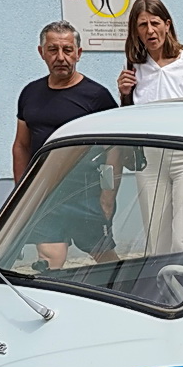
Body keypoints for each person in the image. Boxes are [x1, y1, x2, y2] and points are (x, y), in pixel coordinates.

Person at [14, 21, 119, 270]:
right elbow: (21, 145)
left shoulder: (97, 97)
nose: (60, 57)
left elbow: (115, 150)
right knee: (50, 258)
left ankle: (128, 289)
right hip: (45, 194)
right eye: (53, 49)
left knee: (104, 257)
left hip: (86, 193)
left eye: (67, 50)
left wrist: (107, 197)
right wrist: (22, 192)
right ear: (41, 52)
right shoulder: (30, 93)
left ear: (78, 53)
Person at [116, 0, 183, 254]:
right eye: (143, 25)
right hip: (150, 158)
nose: (150, 31)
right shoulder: (134, 66)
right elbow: (130, 118)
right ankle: (163, 281)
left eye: (155, 23)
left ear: (167, 25)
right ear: (135, 31)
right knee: (157, 243)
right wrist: (124, 94)